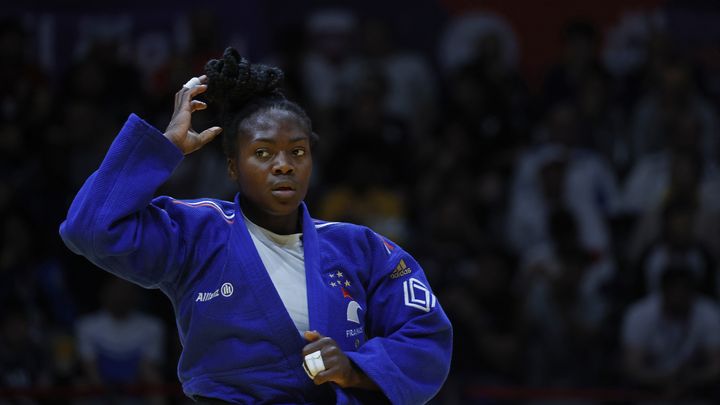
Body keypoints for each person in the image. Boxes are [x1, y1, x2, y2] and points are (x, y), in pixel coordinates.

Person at [59, 47, 452, 404]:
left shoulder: (360, 248)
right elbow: (88, 229)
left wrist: (355, 368)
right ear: (232, 167)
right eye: (262, 153)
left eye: (297, 151)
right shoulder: (196, 231)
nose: (283, 165)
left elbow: (426, 337)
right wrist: (162, 149)